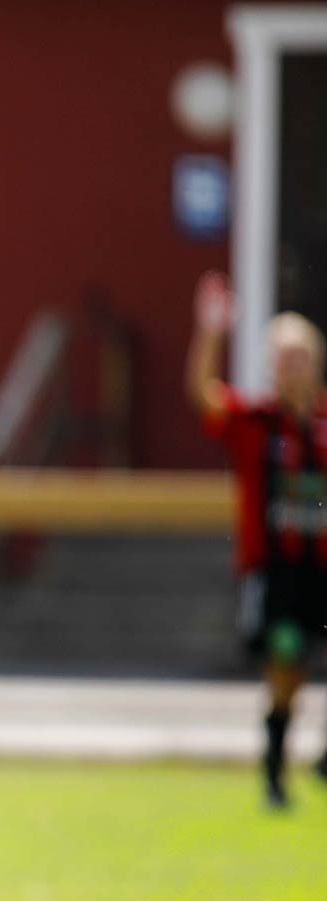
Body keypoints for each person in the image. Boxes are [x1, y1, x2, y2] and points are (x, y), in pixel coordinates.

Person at [188, 270, 327, 809]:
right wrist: (211, 333)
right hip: (278, 569)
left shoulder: (321, 424)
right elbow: (205, 397)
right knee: (286, 665)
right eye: (284, 357)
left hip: (323, 566)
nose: (293, 367)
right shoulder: (258, 422)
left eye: (302, 357)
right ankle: (274, 773)